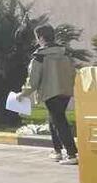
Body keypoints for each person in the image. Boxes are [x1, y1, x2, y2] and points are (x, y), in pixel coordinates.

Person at [20, 24, 78, 165]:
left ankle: (71, 154)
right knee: (53, 119)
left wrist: (22, 94)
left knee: (59, 121)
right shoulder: (64, 54)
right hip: (65, 92)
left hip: (50, 93)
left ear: (40, 38)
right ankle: (57, 151)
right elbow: (73, 73)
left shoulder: (39, 57)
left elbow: (33, 81)